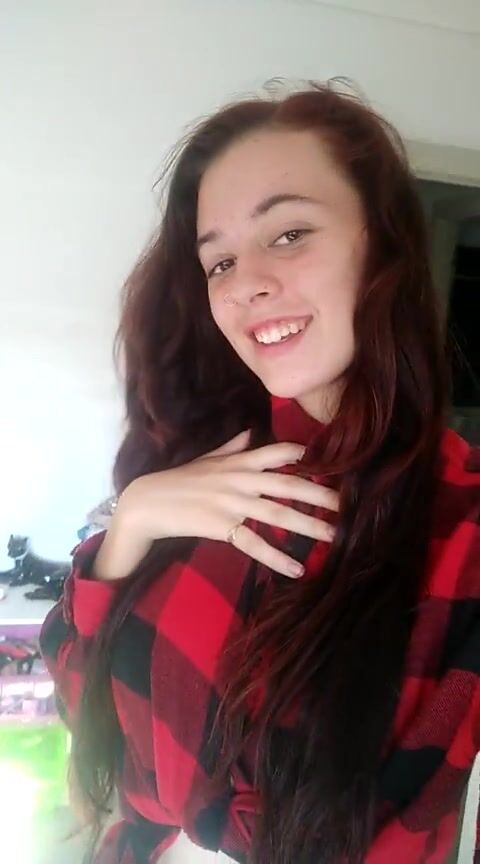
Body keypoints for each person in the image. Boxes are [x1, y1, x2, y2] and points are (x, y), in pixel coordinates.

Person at [40, 80, 480, 864]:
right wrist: (133, 520)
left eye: (288, 234)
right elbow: (82, 697)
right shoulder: (196, 458)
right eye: (219, 262)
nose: (245, 285)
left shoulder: (461, 527)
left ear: (382, 244)